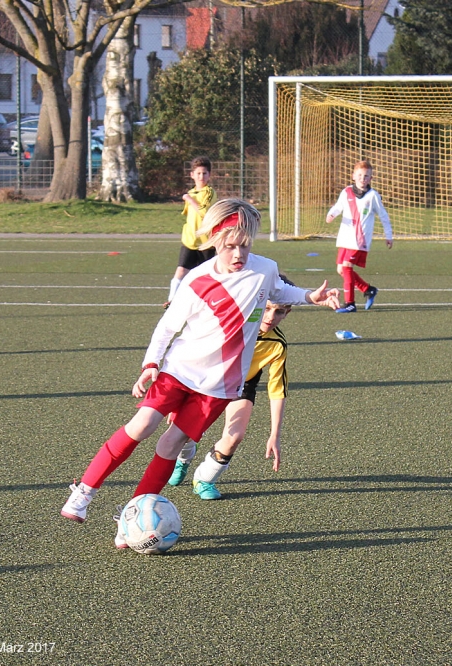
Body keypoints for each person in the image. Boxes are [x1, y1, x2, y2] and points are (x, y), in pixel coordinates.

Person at [60, 199, 340, 548]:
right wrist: (150, 365)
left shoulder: (265, 269)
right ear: (213, 241)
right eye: (230, 246)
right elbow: (166, 328)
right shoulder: (197, 279)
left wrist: (310, 296)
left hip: (221, 387)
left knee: (171, 442)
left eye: (245, 245)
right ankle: (84, 491)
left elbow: (280, 291)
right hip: (180, 370)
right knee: (142, 425)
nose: (238, 253)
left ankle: (133, 517)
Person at [167, 297, 292, 500]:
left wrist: (274, 435)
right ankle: (184, 457)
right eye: (266, 308)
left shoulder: (277, 344)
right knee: (183, 430)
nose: (270, 317)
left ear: (287, 313)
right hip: (207, 378)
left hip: (242, 384)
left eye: (279, 311)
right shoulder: (231, 324)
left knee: (234, 436)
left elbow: (277, 390)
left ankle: (204, 479)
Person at [326, 160, 393, 313]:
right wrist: (331, 214)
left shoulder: (373, 196)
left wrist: (388, 235)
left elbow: (383, 215)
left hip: (359, 240)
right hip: (345, 238)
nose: (363, 179)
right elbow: (338, 207)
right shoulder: (347, 192)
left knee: (347, 267)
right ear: (353, 177)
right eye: (360, 175)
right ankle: (368, 289)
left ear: (371, 178)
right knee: (341, 270)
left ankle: (350, 303)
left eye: (367, 176)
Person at [164, 156, 215, 307]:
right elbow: (189, 216)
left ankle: (209, 302)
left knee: (208, 275)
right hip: (190, 241)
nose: (201, 176)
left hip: (206, 242)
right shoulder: (191, 192)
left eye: (204, 173)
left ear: (209, 175)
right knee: (181, 270)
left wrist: (189, 199)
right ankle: (172, 300)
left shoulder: (209, 192)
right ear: (192, 175)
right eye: (198, 173)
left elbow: (204, 212)